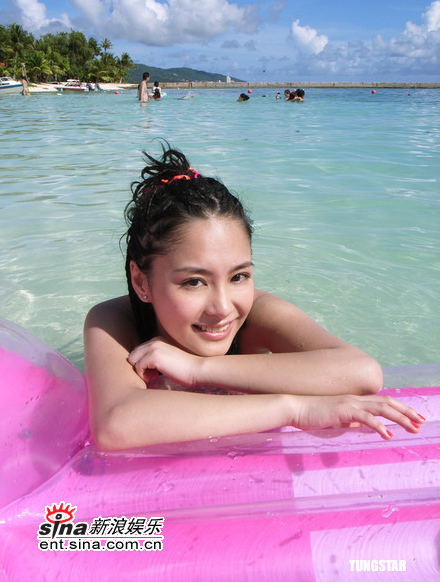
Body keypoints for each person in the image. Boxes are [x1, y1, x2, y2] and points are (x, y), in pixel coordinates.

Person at [84, 142, 425, 450]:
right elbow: (116, 424)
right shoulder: (114, 322)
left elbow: (362, 373)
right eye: (193, 282)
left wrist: (198, 369)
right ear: (141, 282)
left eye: (238, 276)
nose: (222, 308)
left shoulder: (256, 313)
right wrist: (292, 408)